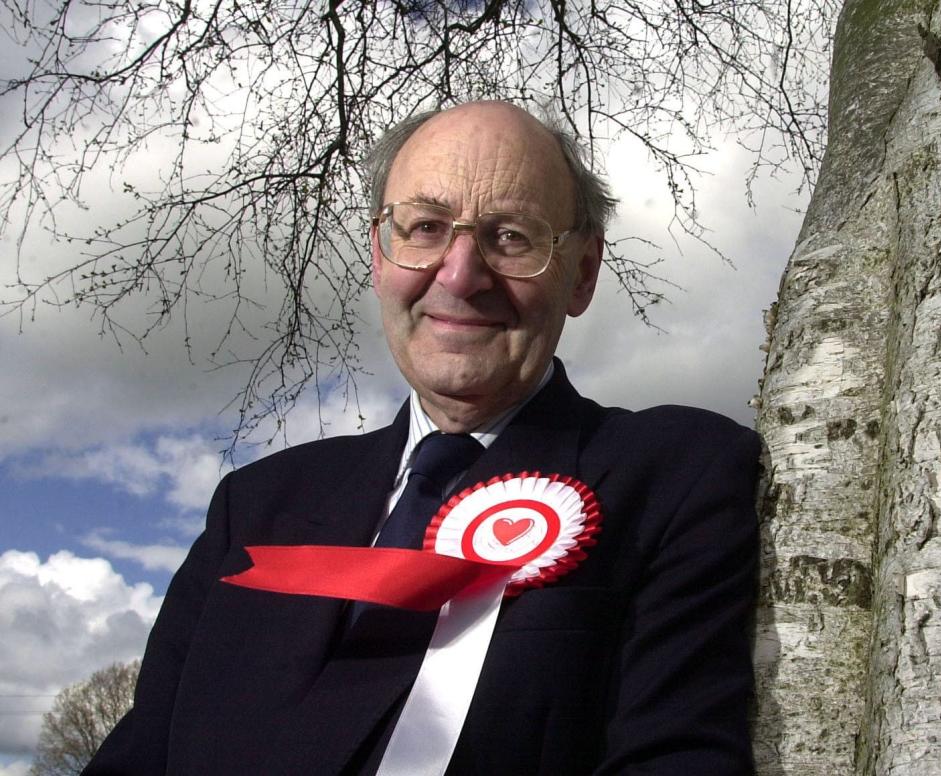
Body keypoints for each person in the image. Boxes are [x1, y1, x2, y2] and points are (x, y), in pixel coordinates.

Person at [86, 101, 760, 775]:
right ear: (380, 255)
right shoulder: (254, 506)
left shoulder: (677, 477)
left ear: (581, 273)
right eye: (427, 227)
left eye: (512, 236)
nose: (461, 275)